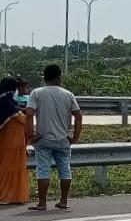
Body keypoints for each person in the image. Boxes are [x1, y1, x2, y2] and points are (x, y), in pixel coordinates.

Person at [24, 64, 83, 210]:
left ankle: (42, 203)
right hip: (63, 139)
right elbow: (78, 116)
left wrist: (30, 135)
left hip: (43, 139)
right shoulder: (68, 94)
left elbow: (29, 113)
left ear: (44, 77)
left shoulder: (36, 93)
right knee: (65, 169)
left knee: (43, 170)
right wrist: (75, 137)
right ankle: (63, 201)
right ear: (59, 77)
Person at [0, 77, 29, 205]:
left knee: (16, 169)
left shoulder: (11, 103)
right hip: (9, 144)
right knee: (6, 169)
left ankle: (15, 196)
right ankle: (5, 195)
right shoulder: (5, 104)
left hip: (17, 144)